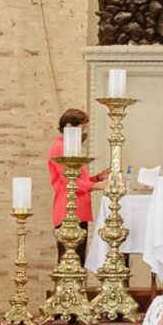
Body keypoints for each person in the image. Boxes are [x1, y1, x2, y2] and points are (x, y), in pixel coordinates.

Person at [48, 109, 109, 264]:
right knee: (69, 261)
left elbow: (78, 177)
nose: (84, 134)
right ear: (69, 127)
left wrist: (97, 177)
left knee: (79, 259)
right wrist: (98, 185)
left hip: (78, 209)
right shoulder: (60, 148)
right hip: (68, 210)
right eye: (82, 129)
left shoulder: (68, 147)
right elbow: (70, 181)